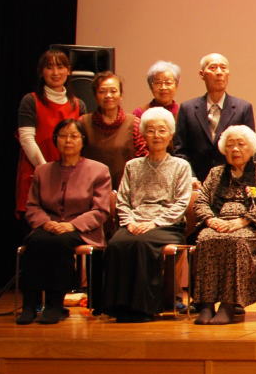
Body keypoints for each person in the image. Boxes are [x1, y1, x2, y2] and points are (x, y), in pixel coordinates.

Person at [102, 108, 194, 322]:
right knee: (117, 243)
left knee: (142, 244)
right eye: (151, 130)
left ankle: (145, 307)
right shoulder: (132, 166)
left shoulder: (180, 166)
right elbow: (123, 199)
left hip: (167, 225)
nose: (156, 135)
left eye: (162, 130)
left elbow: (181, 203)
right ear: (143, 135)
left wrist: (154, 223)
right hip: (136, 222)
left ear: (170, 135)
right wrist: (129, 222)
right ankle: (118, 306)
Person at [18, 119, 111, 324]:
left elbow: (101, 210)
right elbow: (32, 206)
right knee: (35, 241)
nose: (68, 140)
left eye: (74, 136)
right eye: (63, 136)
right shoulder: (43, 171)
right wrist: (45, 222)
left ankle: (55, 304)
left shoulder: (99, 170)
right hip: (49, 226)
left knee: (59, 243)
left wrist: (72, 225)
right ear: (55, 140)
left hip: (82, 229)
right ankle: (30, 304)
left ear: (83, 140)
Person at [192, 126, 256, 325]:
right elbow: (201, 201)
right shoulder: (216, 173)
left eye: (241, 144)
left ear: (251, 148)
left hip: (251, 225)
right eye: (230, 145)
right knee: (205, 239)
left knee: (235, 241)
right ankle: (206, 305)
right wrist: (211, 220)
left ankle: (229, 305)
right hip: (217, 223)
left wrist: (242, 221)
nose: (235, 149)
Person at [15, 49, 86, 216]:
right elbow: (26, 139)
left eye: (60, 67)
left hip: (70, 178)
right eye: (49, 67)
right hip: (36, 172)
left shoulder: (79, 105)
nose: (55, 73)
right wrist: (45, 170)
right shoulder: (30, 101)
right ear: (42, 72)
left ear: (68, 71)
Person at [175, 53, 256, 182]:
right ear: (202, 74)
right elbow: (180, 150)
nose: (219, 72)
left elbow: (249, 150)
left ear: (228, 74)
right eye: (213, 68)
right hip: (196, 183)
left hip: (232, 182)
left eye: (223, 68)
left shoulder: (243, 108)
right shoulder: (187, 108)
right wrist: (191, 177)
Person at [81, 72, 142, 200]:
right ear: (95, 96)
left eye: (113, 91)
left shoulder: (135, 123)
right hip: (90, 193)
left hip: (127, 193)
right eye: (102, 91)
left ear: (121, 95)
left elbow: (142, 161)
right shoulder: (83, 123)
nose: (108, 95)